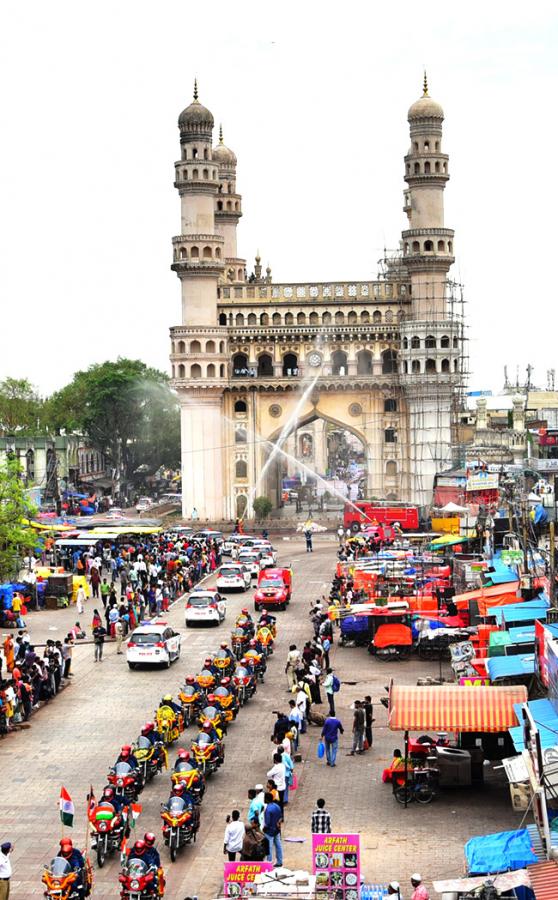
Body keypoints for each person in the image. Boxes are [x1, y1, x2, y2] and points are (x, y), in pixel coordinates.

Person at [263, 792, 283, 867]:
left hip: (269, 831)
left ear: (267, 799)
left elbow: (267, 823)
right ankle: (280, 861)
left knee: (269, 847)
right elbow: (280, 817)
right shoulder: (277, 806)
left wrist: (263, 829)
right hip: (277, 830)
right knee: (278, 845)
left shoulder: (268, 809)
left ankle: (269, 863)